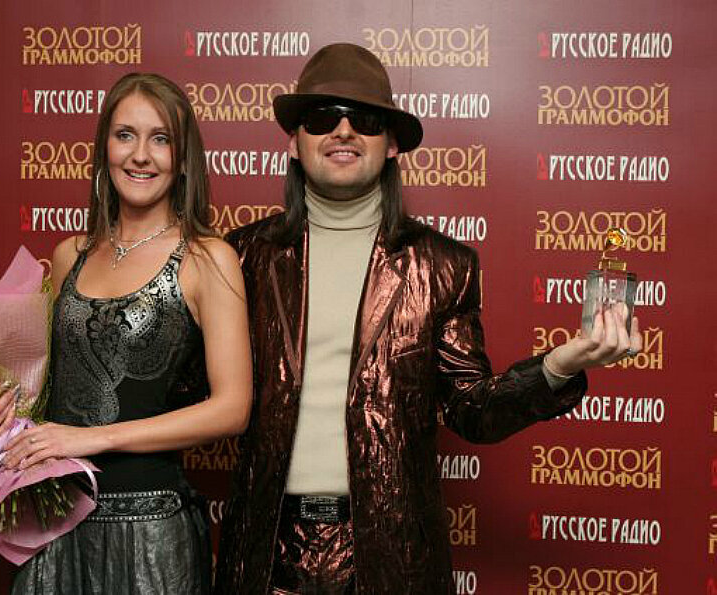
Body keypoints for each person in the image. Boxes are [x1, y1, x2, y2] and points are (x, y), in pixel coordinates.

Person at [214, 43, 641, 595]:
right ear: (294, 142)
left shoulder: (443, 265)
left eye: (365, 120)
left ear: (392, 143)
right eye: (322, 118)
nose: (343, 131)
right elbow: (191, 388)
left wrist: (557, 367)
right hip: (263, 550)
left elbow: (471, 410)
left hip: (392, 556)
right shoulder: (240, 256)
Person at [0, 72, 253, 595]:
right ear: (104, 149)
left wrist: (92, 439)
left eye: (161, 139)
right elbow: (44, 394)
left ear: (183, 159)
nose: (140, 155)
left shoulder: (207, 259)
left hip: (150, 529)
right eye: (125, 135)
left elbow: (232, 409)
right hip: (54, 521)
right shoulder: (70, 254)